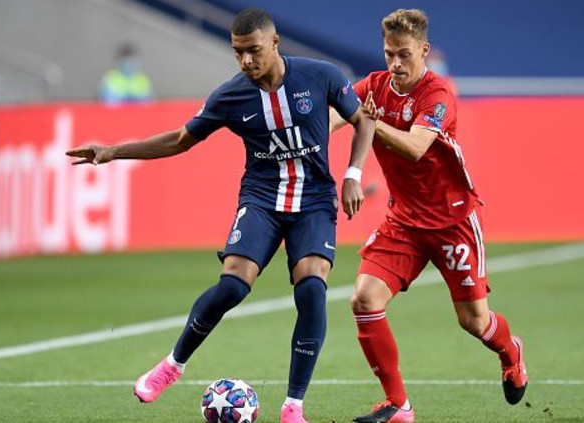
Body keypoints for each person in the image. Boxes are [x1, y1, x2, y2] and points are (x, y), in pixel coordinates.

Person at [68, 8, 374, 423]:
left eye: (254, 51)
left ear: (275, 43)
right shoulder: (231, 96)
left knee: (311, 289)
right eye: (238, 53)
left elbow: (362, 119)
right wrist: (112, 151)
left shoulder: (321, 75)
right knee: (232, 285)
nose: (246, 61)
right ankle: (172, 365)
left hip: (314, 200)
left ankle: (293, 407)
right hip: (262, 199)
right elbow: (180, 140)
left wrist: (353, 175)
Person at [330, 9, 527, 423]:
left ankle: (511, 352)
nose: (395, 64)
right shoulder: (374, 85)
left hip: (452, 222)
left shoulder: (438, 94)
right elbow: (335, 114)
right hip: (403, 221)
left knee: (474, 322)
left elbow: (416, 146)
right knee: (364, 298)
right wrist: (303, 126)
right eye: (389, 54)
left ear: (423, 50)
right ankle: (398, 405)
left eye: (404, 55)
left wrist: (368, 119)